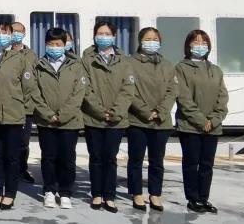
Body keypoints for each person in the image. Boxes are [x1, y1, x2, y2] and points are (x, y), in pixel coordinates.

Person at [81, 21, 135, 213]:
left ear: (114, 36)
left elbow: (128, 88)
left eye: (107, 34)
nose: (103, 37)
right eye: (100, 33)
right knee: (96, 157)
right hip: (93, 117)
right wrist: (99, 111)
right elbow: (85, 87)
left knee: (110, 158)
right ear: (95, 36)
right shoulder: (87, 58)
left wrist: (115, 112)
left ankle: (110, 196)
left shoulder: (124, 60)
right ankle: (97, 194)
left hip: (116, 119)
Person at [29, 28, 85, 209]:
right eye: (51, 43)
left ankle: (65, 191)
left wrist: (62, 116)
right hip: (46, 122)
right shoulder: (38, 65)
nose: (54, 47)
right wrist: (48, 115)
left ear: (64, 45)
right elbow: (34, 92)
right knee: (49, 157)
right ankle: (49, 190)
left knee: (67, 158)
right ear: (45, 44)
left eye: (58, 44)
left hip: (70, 122)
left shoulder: (76, 65)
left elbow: (78, 93)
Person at [0, 22, 35, 210]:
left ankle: (10, 193)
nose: (0, 35)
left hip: (13, 116)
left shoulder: (19, 58)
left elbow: (28, 88)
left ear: (11, 35)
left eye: (4, 32)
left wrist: (21, 109)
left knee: (12, 157)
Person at [176, 30, 228, 214]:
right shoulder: (181, 68)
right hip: (190, 126)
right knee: (191, 163)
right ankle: (193, 198)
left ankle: (204, 198)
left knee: (207, 164)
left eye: (204, 42)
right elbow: (183, 98)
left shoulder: (216, 70)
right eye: (196, 42)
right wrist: (201, 120)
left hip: (212, 127)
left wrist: (213, 120)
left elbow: (222, 98)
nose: (200, 45)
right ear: (188, 45)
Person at [127, 27, 178, 212]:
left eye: (155, 39)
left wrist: (160, 111)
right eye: (147, 39)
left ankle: (155, 193)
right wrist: (144, 111)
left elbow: (172, 90)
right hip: (137, 120)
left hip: (161, 121)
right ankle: (136, 193)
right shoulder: (130, 63)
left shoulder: (167, 65)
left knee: (157, 160)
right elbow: (128, 89)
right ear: (140, 41)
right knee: (136, 159)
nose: (151, 42)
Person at [9, 21, 37, 185]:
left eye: (19, 31)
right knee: (7, 141)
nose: (16, 34)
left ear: (24, 33)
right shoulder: (3, 53)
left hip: (26, 107)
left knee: (23, 142)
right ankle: (7, 170)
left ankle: (22, 169)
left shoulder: (32, 55)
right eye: (13, 31)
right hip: (8, 105)